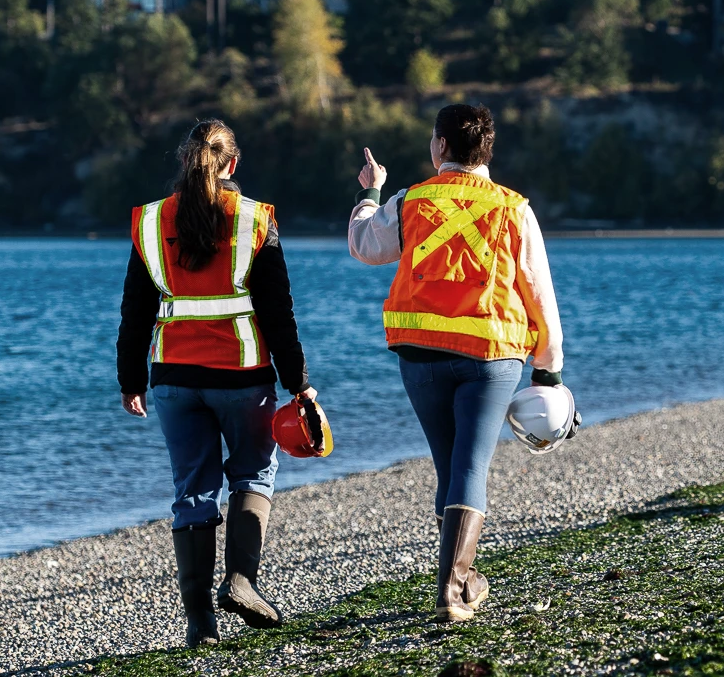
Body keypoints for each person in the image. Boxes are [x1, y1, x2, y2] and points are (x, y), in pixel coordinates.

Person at [347, 104, 566, 622]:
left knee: (450, 465)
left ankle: (458, 580)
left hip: (420, 354)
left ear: (441, 146)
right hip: (492, 354)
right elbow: (538, 289)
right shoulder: (513, 207)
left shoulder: (412, 200)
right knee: (470, 464)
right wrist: (549, 368)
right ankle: (455, 585)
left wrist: (370, 192)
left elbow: (364, 246)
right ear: (486, 149)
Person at [116, 119, 317, 648]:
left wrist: (129, 378)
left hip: (174, 381)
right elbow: (279, 312)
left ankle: (199, 622)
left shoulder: (151, 220)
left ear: (186, 161)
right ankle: (241, 582)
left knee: (192, 489)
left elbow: (135, 309)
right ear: (232, 165)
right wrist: (299, 383)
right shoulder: (254, 218)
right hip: (242, 377)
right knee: (252, 473)